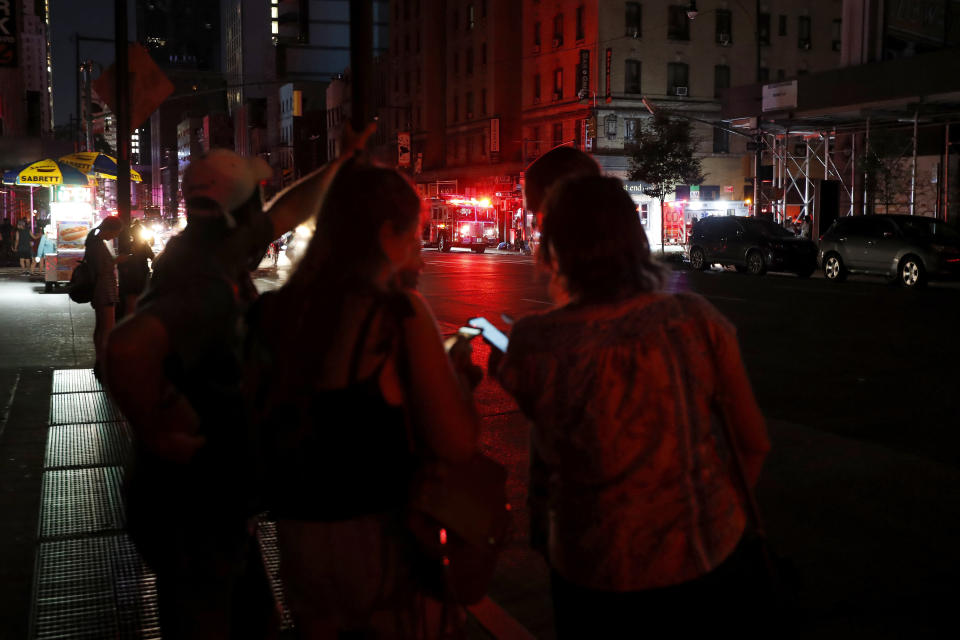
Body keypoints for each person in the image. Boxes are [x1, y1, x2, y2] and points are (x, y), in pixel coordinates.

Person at [104, 135, 373, 638]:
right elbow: (127, 347)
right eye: (256, 199)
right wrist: (157, 425)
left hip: (211, 503)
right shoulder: (204, 279)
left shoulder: (213, 245)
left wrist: (342, 163)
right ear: (241, 206)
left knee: (256, 621)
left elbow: (285, 212)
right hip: (193, 512)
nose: (263, 212)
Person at [493, 176, 770, 637]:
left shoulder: (535, 343)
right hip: (705, 556)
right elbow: (753, 443)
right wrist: (721, 518)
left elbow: (546, 446)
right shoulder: (696, 321)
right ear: (634, 240)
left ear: (555, 249)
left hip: (592, 568)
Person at [245, 161, 479, 637]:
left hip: (300, 547)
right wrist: (458, 384)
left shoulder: (271, 312)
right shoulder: (396, 315)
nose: (420, 251)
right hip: (381, 553)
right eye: (414, 236)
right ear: (386, 233)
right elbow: (456, 442)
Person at [86, 216, 126, 378]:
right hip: (104, 289)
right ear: (109, 229)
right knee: (107, 328)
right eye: (115, 233)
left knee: (101, 327)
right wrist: (117, 260)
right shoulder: (96, 244)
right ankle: (104, 363)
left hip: (101, 289)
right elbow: (101, 269)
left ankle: (100, 360)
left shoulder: (94, 242)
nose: (114, 237)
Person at [117, 219, 154, 319]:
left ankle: (128, 324)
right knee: (141, 303)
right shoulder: (145, 245)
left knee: (130, 305)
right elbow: (153, 258)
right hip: (141, 277)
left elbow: (121, 261)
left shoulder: (127, 245)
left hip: (129, 278)